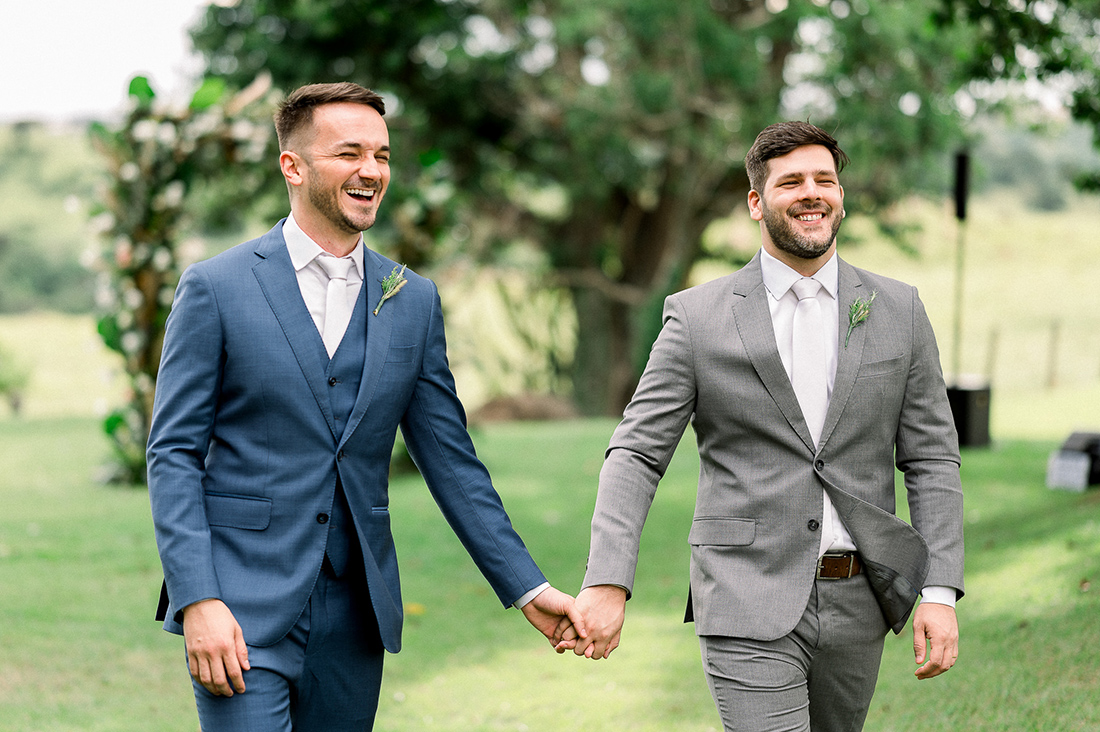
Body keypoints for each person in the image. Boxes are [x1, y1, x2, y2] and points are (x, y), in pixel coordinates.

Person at [147, 81, 584, 731]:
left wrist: (528, 587)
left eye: (381, 155)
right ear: (292, 166)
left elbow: (453, 463)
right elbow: (173, 453)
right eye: (350, 153)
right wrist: (198, 599)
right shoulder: (215, 288)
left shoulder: (411, 299)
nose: (372, 171)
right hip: (239, 606)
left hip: (356, 617)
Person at [561, 121, 964, 731]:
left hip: (861, 598)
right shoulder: (696, 318)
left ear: (841, 196)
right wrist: (608, 579)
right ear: (756, 201)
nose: (812, 193)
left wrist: (938, 590)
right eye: (791, 182)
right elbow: (637, 453)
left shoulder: (899, 310)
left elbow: (932, 457)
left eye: (824, 180)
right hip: (744, 594)